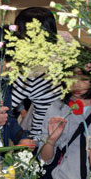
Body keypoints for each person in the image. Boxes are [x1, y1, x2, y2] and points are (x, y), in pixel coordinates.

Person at [11, 7, 62, 137]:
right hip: (62, 134)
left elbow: (6, 104)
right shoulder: (59, 58)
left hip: (45, 137)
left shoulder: (33, 69)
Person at [40, 68, 91, 179]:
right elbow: (45, 159)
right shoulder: (57, 109)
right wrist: (51, 141)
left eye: (83, 78)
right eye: (70, 77)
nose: (76, 83)